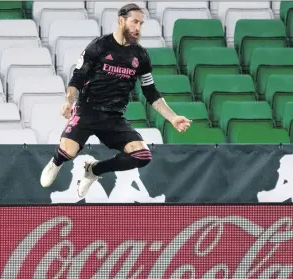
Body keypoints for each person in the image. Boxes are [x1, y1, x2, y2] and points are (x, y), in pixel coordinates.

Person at [40, 3, 191, 198]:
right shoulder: (99, 46)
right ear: (121, 20)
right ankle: (56, 162)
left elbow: (150, 91)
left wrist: (172, 118)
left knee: (142, 155)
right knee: (68, 152)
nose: (138, 28)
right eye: (134, 22)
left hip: (114, 117)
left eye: (141, 24)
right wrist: (69, 101)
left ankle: (93, 171)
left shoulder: (141, 56)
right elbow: (77, 77)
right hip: (87, 110)